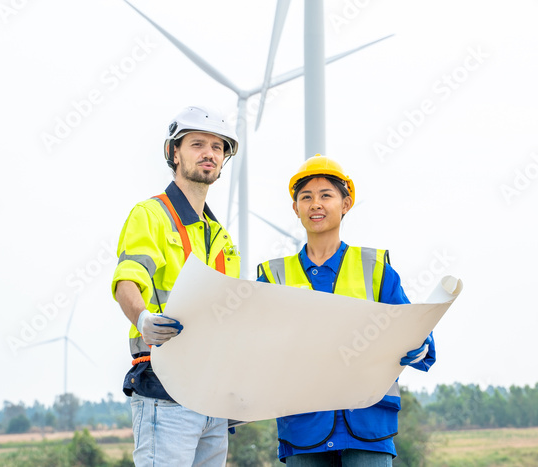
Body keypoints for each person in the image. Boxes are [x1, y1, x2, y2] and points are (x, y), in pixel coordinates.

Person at [257, 154, 435, 466]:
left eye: (326, 195)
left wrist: (420, 346)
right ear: (295, 207)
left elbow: (412, 327)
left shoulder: (376, 269)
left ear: (346, 204)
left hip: (368, 424)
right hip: (302, 427)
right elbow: (253, 344)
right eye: (306, 197)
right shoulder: (272, 277)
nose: (316, 204)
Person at [111, 105, 241, 466]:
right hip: (165, 386)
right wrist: (142, 319)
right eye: (198, 144)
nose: (209, 154)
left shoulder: (222, 238)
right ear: (174, 153)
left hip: (211, 396)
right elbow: (127, 280)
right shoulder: (150, 215)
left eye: (218, 147)